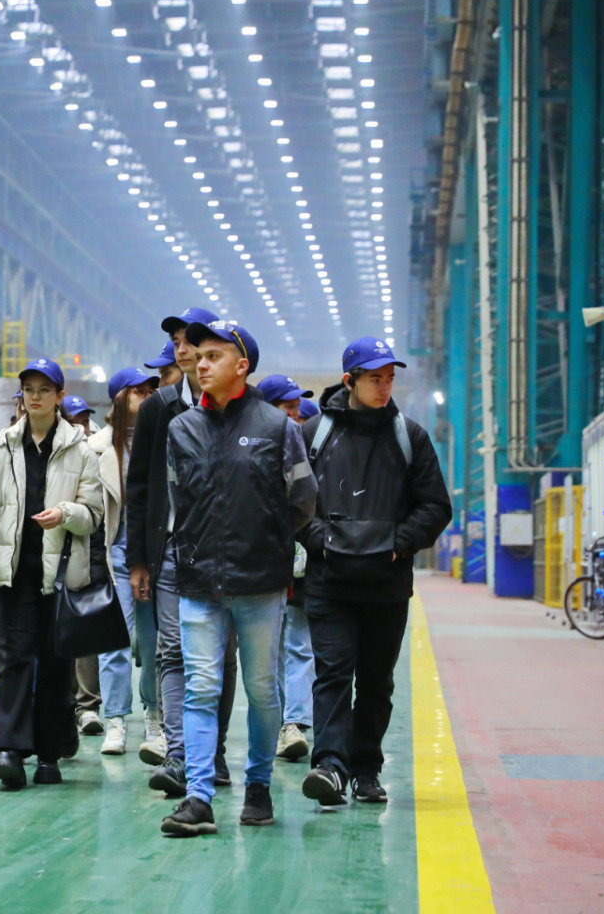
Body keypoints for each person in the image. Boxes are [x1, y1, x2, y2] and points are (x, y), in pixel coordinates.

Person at [161, 319, 317, 837]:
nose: (201, 363)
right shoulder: (182, 429)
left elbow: (303, 501)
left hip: (260, 583)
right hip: (198, 582)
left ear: (242, 365)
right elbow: (178, 499)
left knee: (262, 689)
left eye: (214, 356)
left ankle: (258, 785)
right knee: (201, 689)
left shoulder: (278, 428)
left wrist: (267, 544)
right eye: (199, 355)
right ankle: (199, 797)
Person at [300, 337, 451, 806]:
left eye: (389, 379)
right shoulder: (314, 435)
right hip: (329, 582)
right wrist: (321, 540)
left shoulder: (410, 437)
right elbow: (291, 501)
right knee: (332, 674)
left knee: (376, 681)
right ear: (350, 381)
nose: (384, 387)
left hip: (387, 586)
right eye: (374, 379)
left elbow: (435, 506)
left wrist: (398, 545)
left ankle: (366, 769)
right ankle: (330, 765)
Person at [125, 306, 238, 795]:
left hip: (225, 552)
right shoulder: (159, 407)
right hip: (171, 548)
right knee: (172, 651)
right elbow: (139, 486)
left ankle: (213, 754)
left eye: (190, 339)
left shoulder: (240, 406)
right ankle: (178, 754)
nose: (182, 347)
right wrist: (138, 558)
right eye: (176, 340)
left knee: (220, 655)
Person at [0, 358, 102, 788]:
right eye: (28, 389)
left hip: (59, 575)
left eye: (44, 390)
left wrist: (65, 513)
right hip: (12, 572)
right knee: (10, 661)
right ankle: (9, 750)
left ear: (59, 397)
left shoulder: (80, 449)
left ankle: (49, 755)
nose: (35, 397)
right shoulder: (3, 445)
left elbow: (93, 515)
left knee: (54, 664)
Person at [84, 366, 161, 756]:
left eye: (150, 390)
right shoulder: (96, 448)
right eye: (138, 391)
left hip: (156, 554)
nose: (147, 396)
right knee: (114, 642)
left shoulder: (163, 440)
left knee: (155, 644)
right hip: (115, 553)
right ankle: (115, 719)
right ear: (119, 397)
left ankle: (155, 715)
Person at [258, 374, 319, 763]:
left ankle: (293, 723)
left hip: (302, 566)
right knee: (268, 652)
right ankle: (279, 723)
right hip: (261, 567)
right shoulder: (252, 450)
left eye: (298, 409)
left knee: (298, 644)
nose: (295, 415)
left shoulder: (311, 450)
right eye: (287, 407)